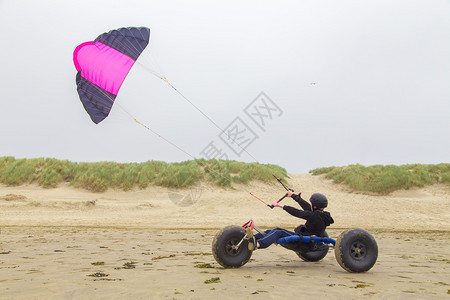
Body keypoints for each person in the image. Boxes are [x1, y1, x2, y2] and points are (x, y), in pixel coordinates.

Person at [247, 191, 334, 250]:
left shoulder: (313, 215)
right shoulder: (322, 215)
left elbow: (296, 212)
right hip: (307, 239)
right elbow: (306, 205)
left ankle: (257, 244)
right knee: (271, 231)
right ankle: (250, 240)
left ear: (314, 206)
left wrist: (279, 205)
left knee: (278, 232)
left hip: (305, 241)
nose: (309, 204)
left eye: (311, 203)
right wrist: (293, 195)